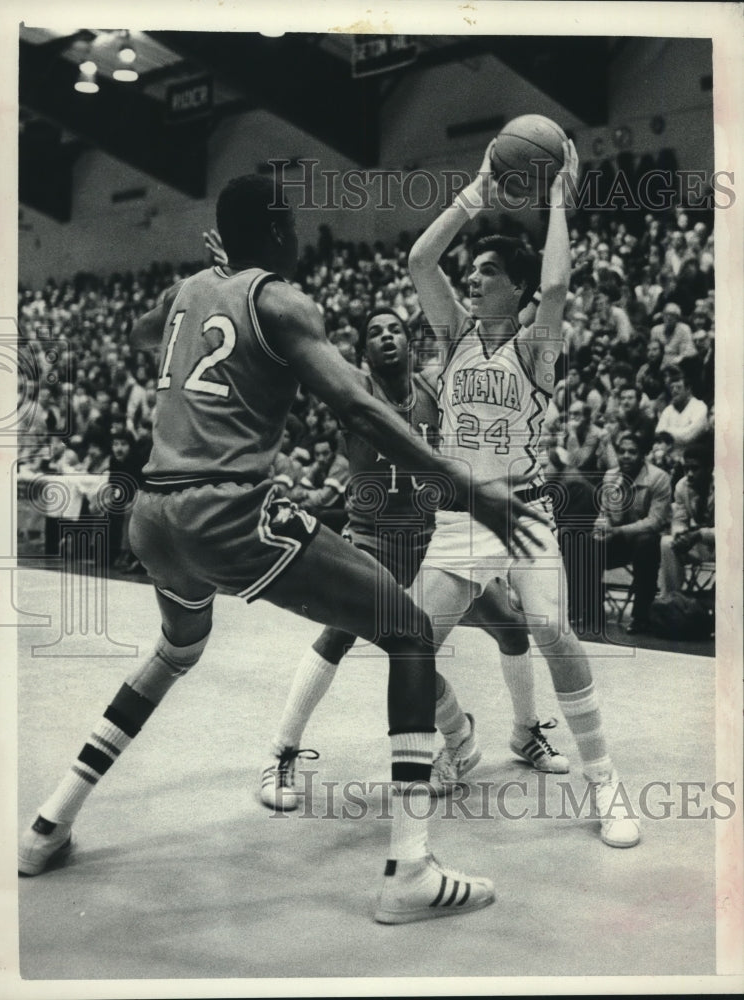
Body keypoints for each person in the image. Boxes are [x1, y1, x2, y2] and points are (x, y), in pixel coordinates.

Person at [19, 174, 546, 925]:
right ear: (275, 231)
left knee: (175, 650)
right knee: (406, 632)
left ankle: (50, 822)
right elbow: (358, 403)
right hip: (225, 511)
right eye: (291, 225)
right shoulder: (282, 299)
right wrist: (466, 484)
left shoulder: (190, 289)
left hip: (152, 516)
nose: (299, 238)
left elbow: (145, 334)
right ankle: (409, 869)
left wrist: (209, 279)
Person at [405, 136, 640, 848]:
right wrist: (476, 191)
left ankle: (605, 785)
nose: (470, 281)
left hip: (525, 513)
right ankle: (459, 741)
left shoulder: (536, 344)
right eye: (470, 273)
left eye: (484, 273)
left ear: (515, 285)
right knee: (408, 647)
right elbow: (420, 259)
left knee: (550, 631)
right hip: (460, 517)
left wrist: (560, 195)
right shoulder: (451, 335)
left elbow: (560, 286)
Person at [260, 308, 569, 811]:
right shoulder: (356, 389)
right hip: (374, 542)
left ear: (409, 342)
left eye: (394, 330)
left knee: (512, 628)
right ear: (363, 352)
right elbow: (296, 360)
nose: (386, 337)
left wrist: (524, 303)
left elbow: (491, 353)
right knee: (339, 636)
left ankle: (523, 731)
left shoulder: (433, 388)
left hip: (433, 543)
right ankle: (282, 752)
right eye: (374, 332)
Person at [592, 432, 672, 634]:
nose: (626, 456)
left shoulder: (658, 478)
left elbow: (655, 522)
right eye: (622, 451)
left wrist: (616, 531)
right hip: (616, 541)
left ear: (643, 454)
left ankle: (640, 616)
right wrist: (601, 528)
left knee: (646, 542)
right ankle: (590, 606)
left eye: (632, 452)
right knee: (585, 543)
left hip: (644, 543)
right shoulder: (611, 476)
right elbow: (604, 511)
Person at [659, 440, 715, 599]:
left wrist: (698, 535)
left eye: (695, 468)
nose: (689, 474)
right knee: (667, 543)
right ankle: (670, 602)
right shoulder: (682, 486)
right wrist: (680, 535)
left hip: (729, 545)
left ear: (709, 468)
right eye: (686, 469)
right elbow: (679, 519)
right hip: (703, 543)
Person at [655, 366, 709, 463]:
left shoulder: (699, 407)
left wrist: (667, 431)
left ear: (688, 389)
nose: (674, 391)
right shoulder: (668, 410)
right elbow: (658, 433)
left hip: (692, 460)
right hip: (669, 459)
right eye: (672, 388)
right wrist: (679, 432)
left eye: (678, 387)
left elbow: (688, 436)